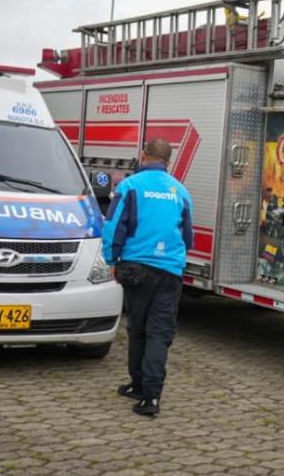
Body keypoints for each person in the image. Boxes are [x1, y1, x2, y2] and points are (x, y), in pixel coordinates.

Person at [102, 138, 193, 416]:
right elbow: (187, 236)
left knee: (138, 329)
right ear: (169, 161)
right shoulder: (180, 191)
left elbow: (113, 225)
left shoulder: (130, 187)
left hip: (136, 269)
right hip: (170, 272)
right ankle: (151, 396)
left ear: (143, 156)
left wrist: (111, 259)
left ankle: (139, 385)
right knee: (159, 333)